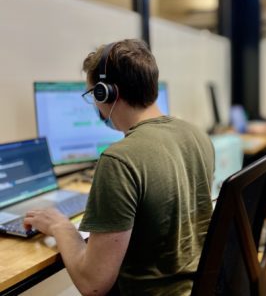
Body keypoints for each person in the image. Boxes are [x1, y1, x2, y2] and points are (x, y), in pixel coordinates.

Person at [24, 39, 215, 296]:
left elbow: (93, 285)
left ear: (106, 93)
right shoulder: (196, 135)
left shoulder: (118, 161)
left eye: (93, 94)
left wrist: (61, 226)